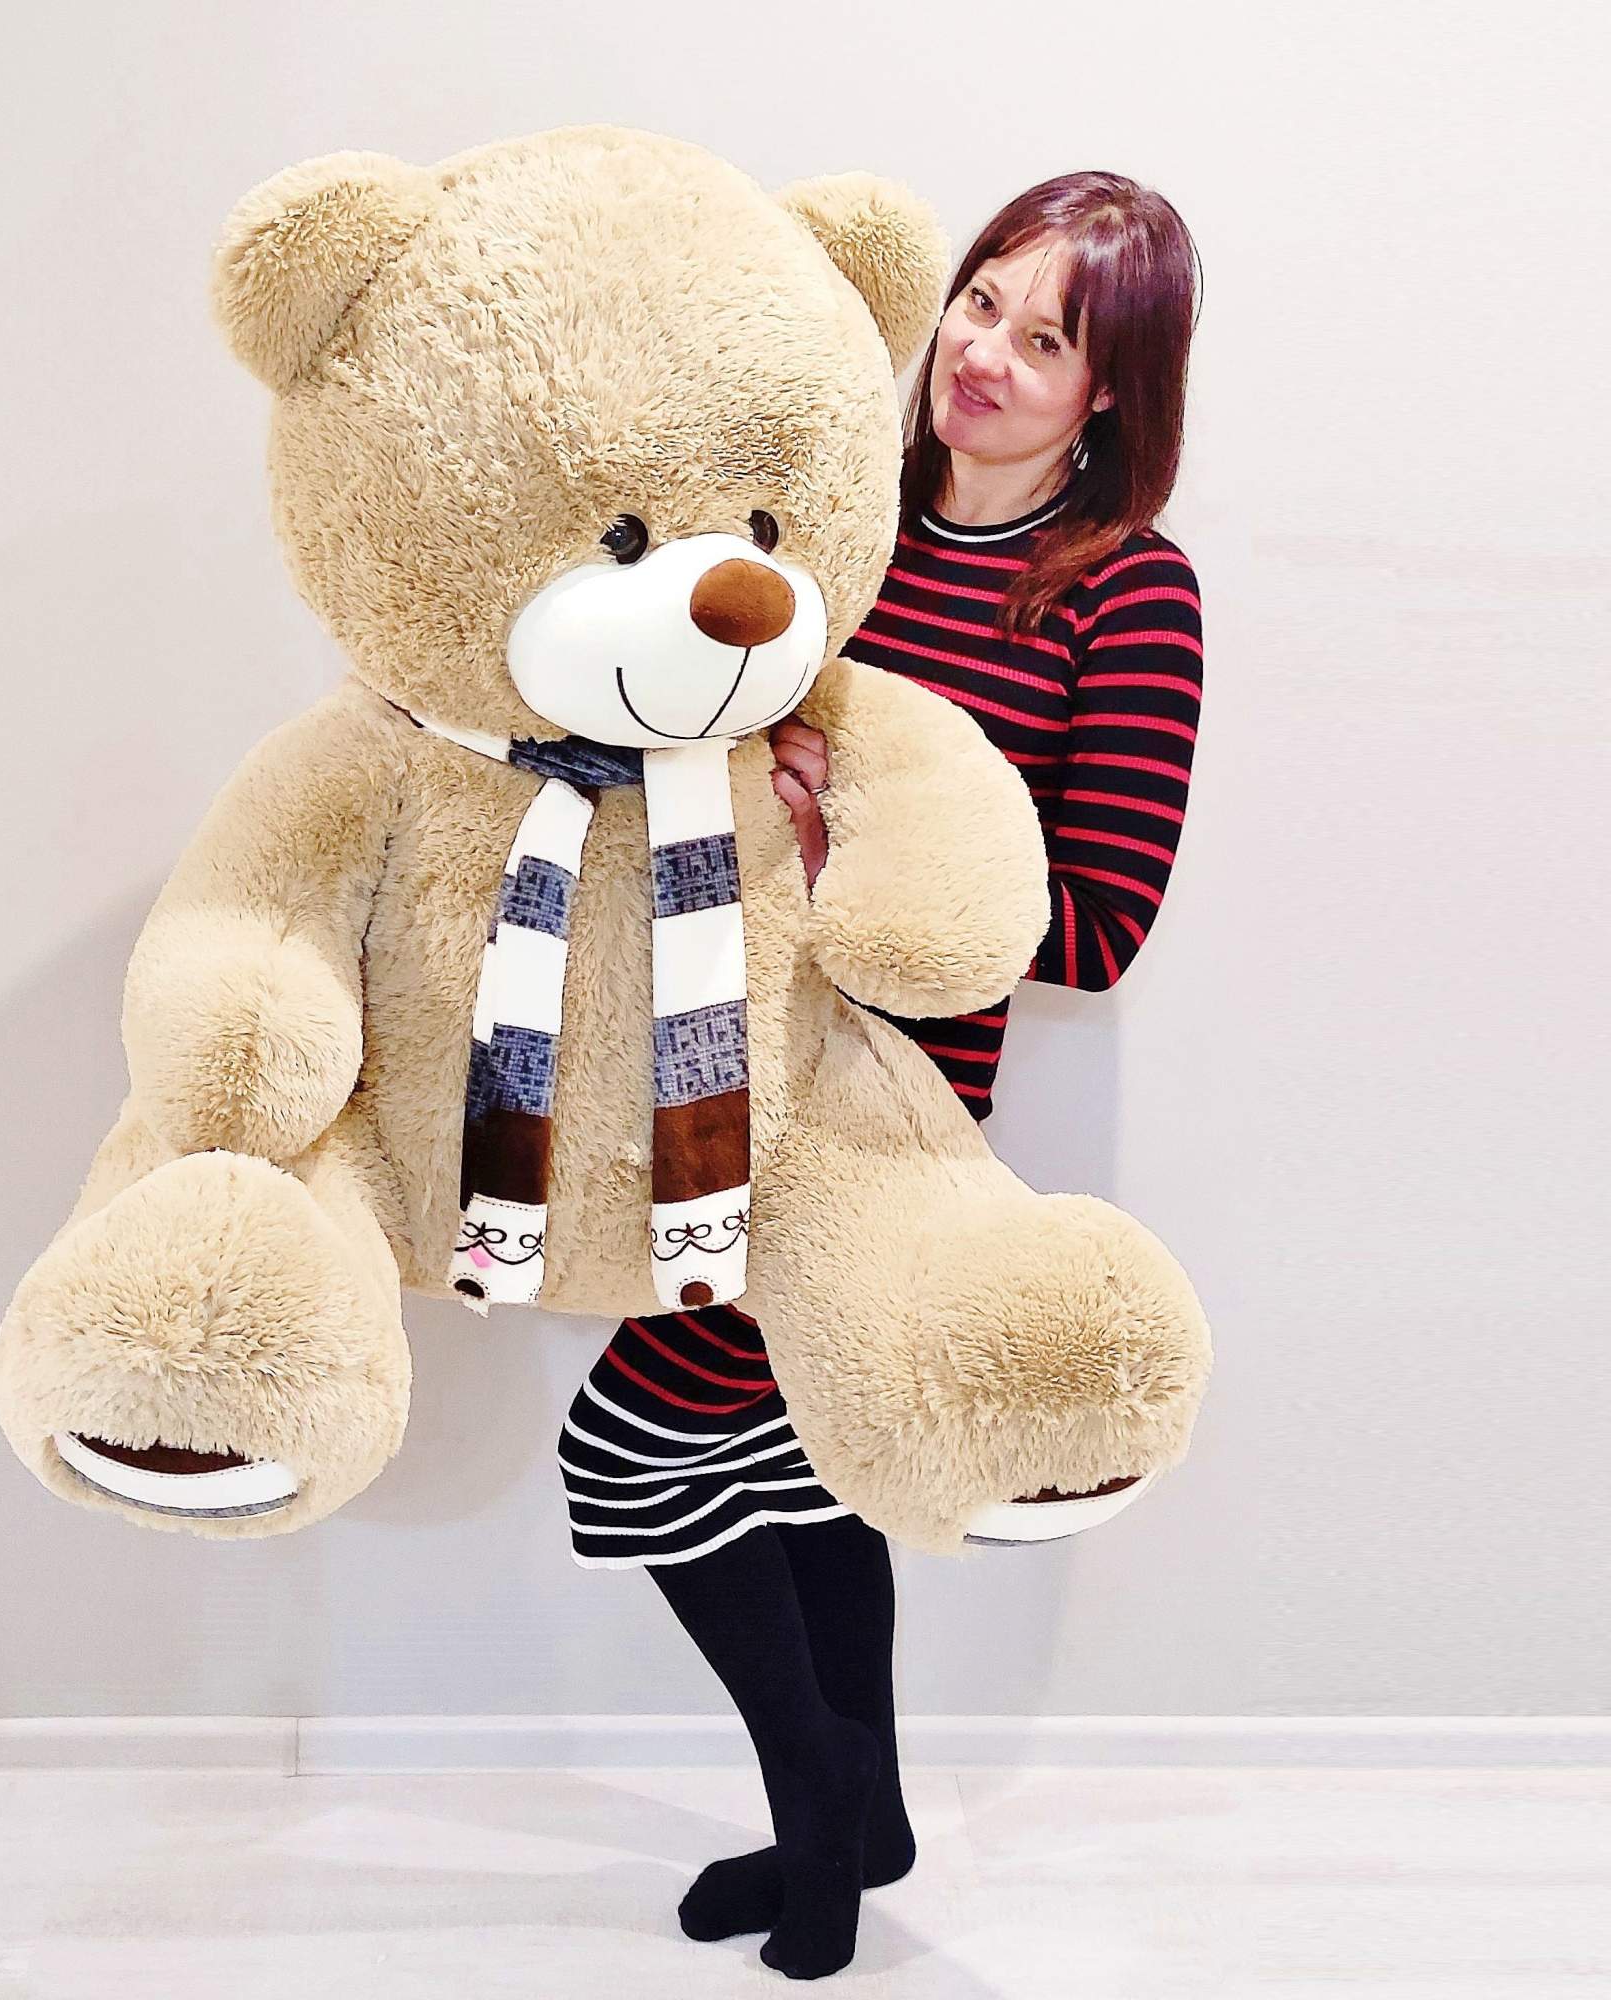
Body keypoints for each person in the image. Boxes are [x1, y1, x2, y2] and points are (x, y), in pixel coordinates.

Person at [558, 171, 1206, 1979]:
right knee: (796, 1461)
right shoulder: (847, 517)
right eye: (982, 301)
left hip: (875, 1116)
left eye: (1046, 339)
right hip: (714, 1056)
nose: (984, 354)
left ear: (1110, 393)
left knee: (628, 1454)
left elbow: (1100, 927)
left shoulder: (1132, 594)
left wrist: (854, 851)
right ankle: (868, 1813)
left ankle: (826, 1799)